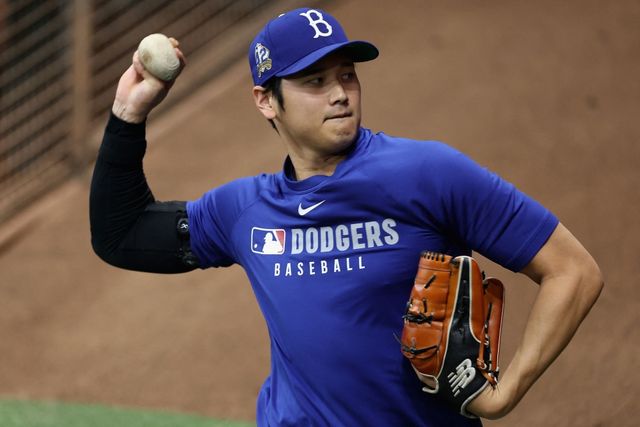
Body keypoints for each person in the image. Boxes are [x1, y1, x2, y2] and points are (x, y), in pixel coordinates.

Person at [90, 7, 604, 427]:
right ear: (266, 101)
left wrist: (506, 393)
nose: (340, 93)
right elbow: (122, 235)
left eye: (347, 75)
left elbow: (573, 271)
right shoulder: (244, 210)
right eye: (314, 80)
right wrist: (128, 115)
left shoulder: (427, 174)